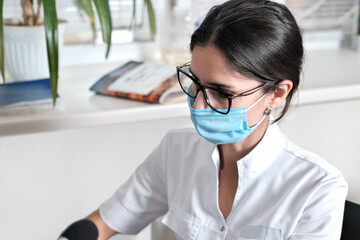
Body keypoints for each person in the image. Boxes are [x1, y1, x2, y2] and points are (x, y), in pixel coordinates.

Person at [59, 0, 348, 239]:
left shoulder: (318, 188)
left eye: (222, 92)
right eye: (195, 82)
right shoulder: (176, 151)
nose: (197, 104)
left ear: (277, 93)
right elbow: (107, 220)